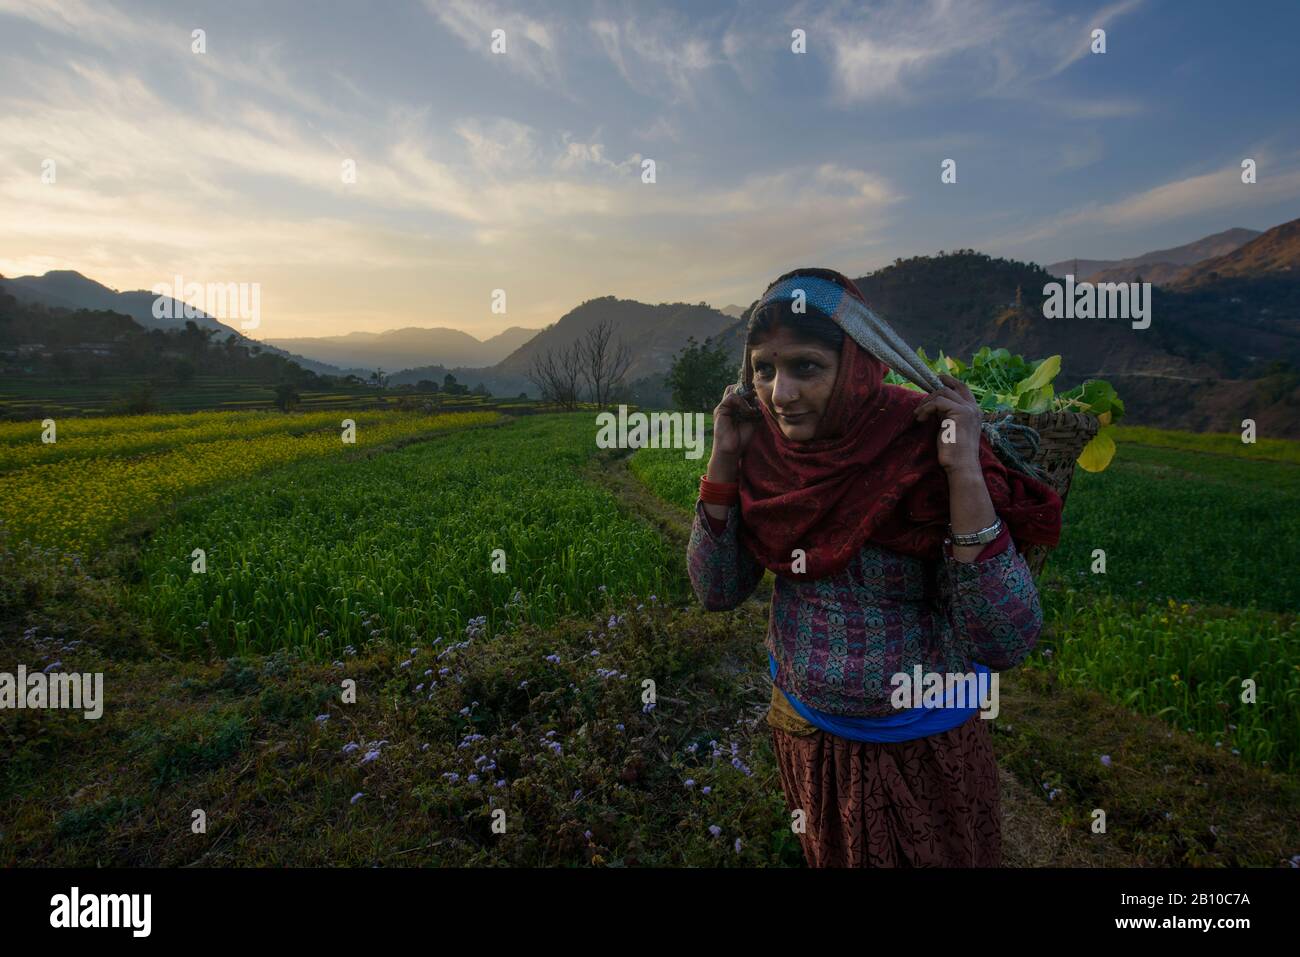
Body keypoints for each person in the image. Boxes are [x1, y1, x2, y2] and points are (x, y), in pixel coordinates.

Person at [686, 266, 1064, 867]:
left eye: (805, 367)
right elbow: (716, 589)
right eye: (764, 369)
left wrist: (964, 470)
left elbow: (1005, 637)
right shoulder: (767, 455)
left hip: (919, 749)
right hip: (807, 734)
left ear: (858, 365)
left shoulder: (922, 448)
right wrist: (724, 456)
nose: (780, 393)